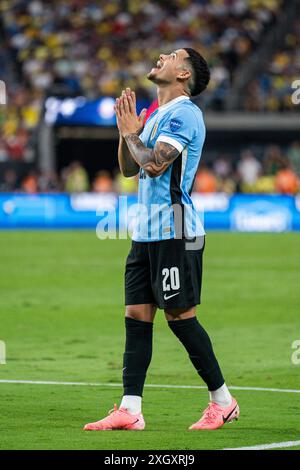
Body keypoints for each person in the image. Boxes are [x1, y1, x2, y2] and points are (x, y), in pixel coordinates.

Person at [84, 48, 239, 431]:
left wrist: (133, 135)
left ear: (184, 74)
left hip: (177, 229)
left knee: (180, 318)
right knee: (136, 315)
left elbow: (154, 164)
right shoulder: (156, 116)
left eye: (171, 56)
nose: (161, 56)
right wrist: (127, 135)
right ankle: (130, 409)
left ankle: (223, 402)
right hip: (147, 231)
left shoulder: (186, 114)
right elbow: (128, 168)